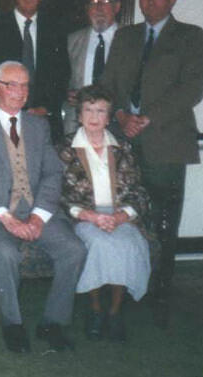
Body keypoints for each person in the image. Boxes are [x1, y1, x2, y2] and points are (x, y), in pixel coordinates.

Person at [101, 0, 203, 327]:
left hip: (166, 140)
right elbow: (109, 84)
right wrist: (118, 114)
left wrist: (145, 119)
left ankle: (159, 286)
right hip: (124, 138)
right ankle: (125, 281)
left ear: (172, 0)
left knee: (163, 217)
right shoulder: (126, 36)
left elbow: (192, 89)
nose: (150, 2)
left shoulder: (190, 36)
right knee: (125, 211)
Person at [0, 61, 86, 353]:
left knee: (74, 249)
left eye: (25, 85)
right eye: (12, 85)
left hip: (35, 211)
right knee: (5, 252)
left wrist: (38, 216)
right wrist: (7, 219)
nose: (20, 92)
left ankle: (53, 322)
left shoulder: (39, 125)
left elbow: (52, 173)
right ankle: (13, 324)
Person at [58, 85, 151, 342]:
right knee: (98, 243)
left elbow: (139, 191)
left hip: (119, 214)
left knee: (126, 243)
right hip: (85, 216)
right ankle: (96, 310)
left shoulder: (122, 147)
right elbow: (60, 195)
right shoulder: (65, 149)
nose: (94, 116)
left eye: (101, 111)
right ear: (78, 115)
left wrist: (121, 216)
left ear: (109, 117)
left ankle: (115, 312)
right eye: (88, 109)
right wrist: (91, 216)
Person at [0, 0, 69, 142]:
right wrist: (14, 106)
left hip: (45, 117)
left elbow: (62, 73)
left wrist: (46, 108)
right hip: (6, 115)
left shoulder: (56, 29)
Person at [64, 0, 121, 134]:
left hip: (119, 125)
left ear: (117, 7)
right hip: (78, 126)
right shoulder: (72, 41)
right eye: (94, 3)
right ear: (87, 8)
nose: (99, 8)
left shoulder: (130, 40)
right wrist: (67, 93)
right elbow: (60, 80)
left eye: (106, 2)